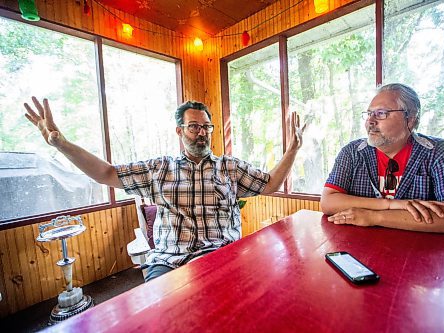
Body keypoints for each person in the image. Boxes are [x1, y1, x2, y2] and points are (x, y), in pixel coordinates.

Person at [24, 97, 306, 281]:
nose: (202, 132)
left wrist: (293, 149)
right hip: (169, 262)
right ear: (179, 131)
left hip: (220, 258)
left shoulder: (230, 168)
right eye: (194, 126)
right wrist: (62, 145)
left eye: (207, 127)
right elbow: (106, 173)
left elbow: (269, 184)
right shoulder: (159, 168)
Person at [320, 83, 444, 234]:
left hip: (419, 253)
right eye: (369, 113)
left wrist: (373, 216)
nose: (371, 121)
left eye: (381, 113)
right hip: (360, 248)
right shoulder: (352, 152)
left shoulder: (438, 152)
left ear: (410, 119)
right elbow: (328, 202)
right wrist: (390, 204)